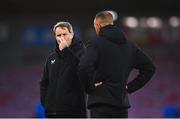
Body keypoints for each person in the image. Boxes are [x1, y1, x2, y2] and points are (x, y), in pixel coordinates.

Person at [78, 10, 156, 118]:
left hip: (100, 104)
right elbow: (150, 68)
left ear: (97, 25)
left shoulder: (95, 43)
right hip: (121, 105)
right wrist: (129, 87)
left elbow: (83, 66)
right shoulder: (130, 46)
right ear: (111, 23)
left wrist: (89, 87)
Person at [40, 21, 86, 118]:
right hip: (53, 112)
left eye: (64, 34)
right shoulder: (51, 58)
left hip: (73, 112)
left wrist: (65, 51)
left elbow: (82, 73)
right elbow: (44, 83)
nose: (61, 37)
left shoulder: (83, 53)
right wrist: (46, 103)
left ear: (72, 34)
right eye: (58, 35)